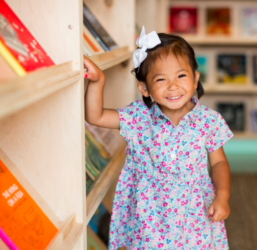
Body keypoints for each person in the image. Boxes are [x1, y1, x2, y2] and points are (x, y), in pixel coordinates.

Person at [84, 27, 233, 250]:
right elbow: (95, 116)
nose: (173, 86)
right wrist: (98, 81)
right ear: (145, 89)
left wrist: (222, 196)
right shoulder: (137, 117)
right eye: (161, 79)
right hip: (149, 216)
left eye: (181, 75)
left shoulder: (209, 120)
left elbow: (219, 162)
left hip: (194, 216)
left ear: (195, 79)